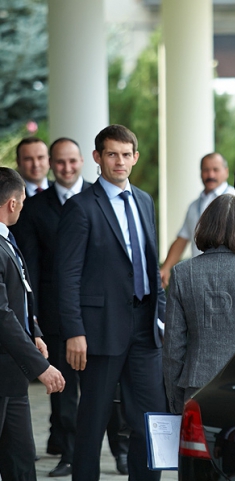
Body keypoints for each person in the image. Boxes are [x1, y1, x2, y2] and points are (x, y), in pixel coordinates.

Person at [12, 138, 129, 477]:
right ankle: (68, 453)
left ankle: (120, 451)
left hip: (103, 315)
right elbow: (29, 267)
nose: (66, 168)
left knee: (111, 388)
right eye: (60, 162)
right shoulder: (34, 207)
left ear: (84, 161)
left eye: (72, 162)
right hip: (56, 315)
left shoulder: (103, 196)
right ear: (52, 164)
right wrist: (32, 316)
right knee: (63, 391)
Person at [56, 125, 166, 481]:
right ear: (98, 158)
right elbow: (67, 275)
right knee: (93, 420)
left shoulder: (145, 200)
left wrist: (161, 316)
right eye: (112, 154)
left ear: (135, 157)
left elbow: (151, 263)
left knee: (149, 419)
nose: (120, 161)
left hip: (145, 329)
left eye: (126, 154)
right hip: (99, 332)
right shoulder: (81, 207)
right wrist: (74, 331)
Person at [163, 194, 235, 414]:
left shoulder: (182, 273)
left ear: (205, 225)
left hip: (196, 389)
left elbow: (172, 348)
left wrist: (175, 401)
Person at [0, 167, 65, 480]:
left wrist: (34, 331)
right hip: (4, 368)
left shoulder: (7, 239)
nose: (24, 207)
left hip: (12, 375)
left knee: (22, 459)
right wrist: (41, 366)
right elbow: (1, 315)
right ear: (12, 203)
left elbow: (20, 293)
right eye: (22, 201)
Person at [160, 152, 235, 288]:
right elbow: (182, 239)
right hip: (199, 278)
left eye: (215, 170)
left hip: (228, 276)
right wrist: (165, 268)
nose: (210, 175)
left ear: (226, 172)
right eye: (206, 170)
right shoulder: (194, 206)